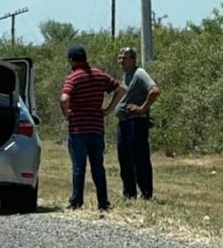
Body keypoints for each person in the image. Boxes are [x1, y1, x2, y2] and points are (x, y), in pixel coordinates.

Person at [59, 44, 125, 211]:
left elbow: (64, 98)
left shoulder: (73, 77)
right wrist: (109, 109)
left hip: (78, 129)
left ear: (72, 61)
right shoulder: (99, 75)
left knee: (79, 167)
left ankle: (76, 202)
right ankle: (103, 202)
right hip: (96, 128)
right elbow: (121, 89)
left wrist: (66, 114)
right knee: (98, 166)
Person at [114, 47, 161, 200]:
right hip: (123, 123)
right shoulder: (125, 76)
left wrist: (142, 109)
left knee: (139, 159)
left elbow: (154, 91)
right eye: (120, 57)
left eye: (125, 58)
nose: (121, 60)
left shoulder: (139, 73)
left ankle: (146, 194)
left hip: (135, 122)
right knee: (125, 159)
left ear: (133, 59)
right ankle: (129, 194)